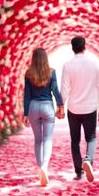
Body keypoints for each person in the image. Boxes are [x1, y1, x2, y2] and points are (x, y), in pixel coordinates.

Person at [60, 36, 99, 182]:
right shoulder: (93, 64)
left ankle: (79, 172)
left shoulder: (67, 65)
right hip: (90, 107)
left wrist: (60, 106)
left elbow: (64, 89)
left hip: (73, 108)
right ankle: (88, 160)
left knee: (75, 141)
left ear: (72, 48)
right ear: (85, 47)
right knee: (91, 137)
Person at [23, 48, 65, 186]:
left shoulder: (28, 74)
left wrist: (25, 113)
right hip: (47, 106)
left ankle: (40, 165)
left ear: (33, 59)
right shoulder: (51, 72)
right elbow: (55, 90)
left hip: (34, 107)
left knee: (38, 140)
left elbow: (27, 96)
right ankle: (44, 167)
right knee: (47, 139)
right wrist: (60, 105)